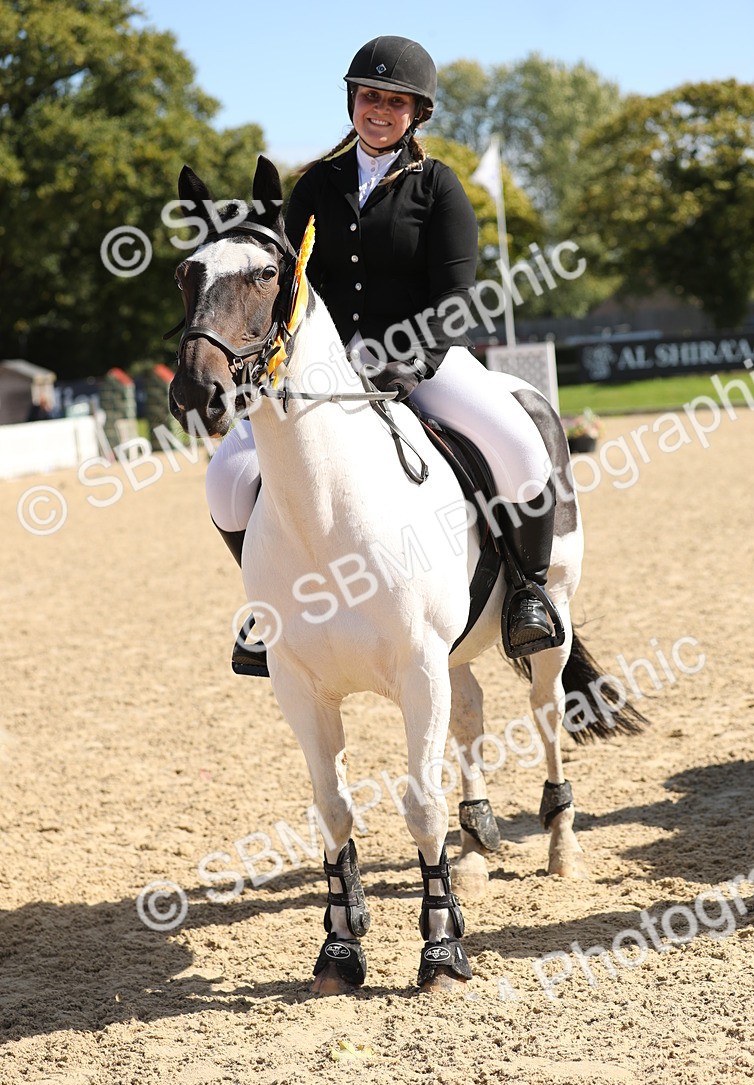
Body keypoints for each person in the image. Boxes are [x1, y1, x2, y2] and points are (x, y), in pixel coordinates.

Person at [206, 34, 558, 667]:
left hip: (423, 361)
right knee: (227, 479)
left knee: (520, 446)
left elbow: (456, 298)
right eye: (370, 96)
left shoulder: (439, 188)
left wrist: (409, 360)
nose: (379, 110)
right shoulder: (315, 186)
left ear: (416, 114)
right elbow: (280, 278)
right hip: (321, 372)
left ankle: (527, 593)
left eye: (396, 102)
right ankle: (269, 609)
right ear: (353, 101)